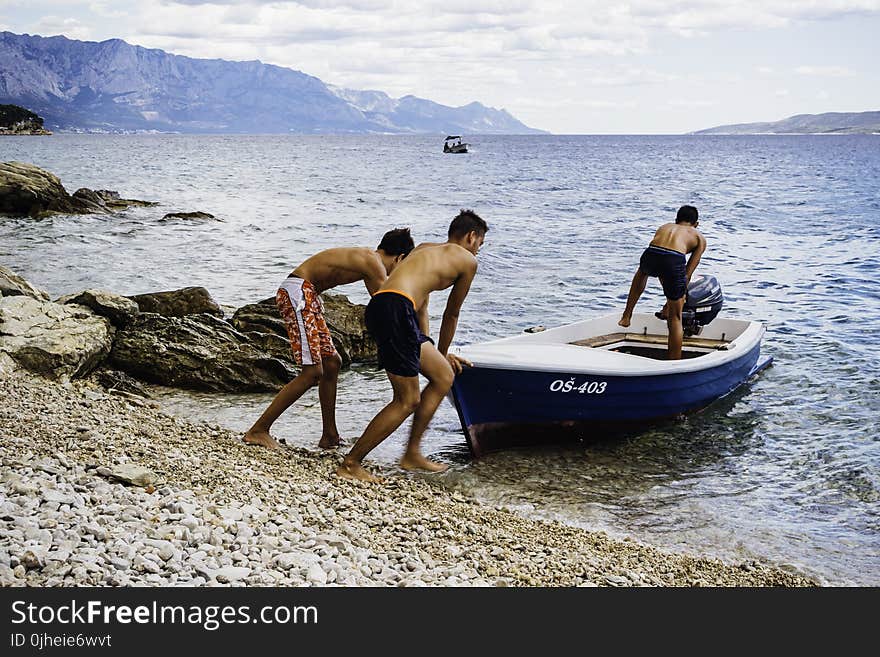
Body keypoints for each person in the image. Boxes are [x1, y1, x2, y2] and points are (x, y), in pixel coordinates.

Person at [337, 209, 488, 483]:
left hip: (387, 307)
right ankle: (351, 463)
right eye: (480, 244)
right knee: (407, 399)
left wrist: (438, 356)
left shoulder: (425, 249)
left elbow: (421, 303)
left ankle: (412, 454)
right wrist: (441, 351)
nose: (478, 250)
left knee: (443, 375)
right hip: (396, 309)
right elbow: (451, 314)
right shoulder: (467, 261)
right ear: (471, 236)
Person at [243, 228, 416, 450]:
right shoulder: (373, 262)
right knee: (312, 372)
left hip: (308, 295)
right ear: (400, 258)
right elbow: (388, 303)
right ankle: (258, 430)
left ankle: (330, 435)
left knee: (332, 362)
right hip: (298, 293)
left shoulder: (369, 260)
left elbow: (383, 302)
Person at [618, 205, 707, 360]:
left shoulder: (665, 227)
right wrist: (674, 302)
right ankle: (674, 362)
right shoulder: (699, 237)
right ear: (696, 224)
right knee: (675, 318)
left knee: (642, 272)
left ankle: (627, 315)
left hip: (651, 253)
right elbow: (686, 274)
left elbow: (660, 264)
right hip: (673, 259)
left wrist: (669, 298)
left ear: (676, 220)